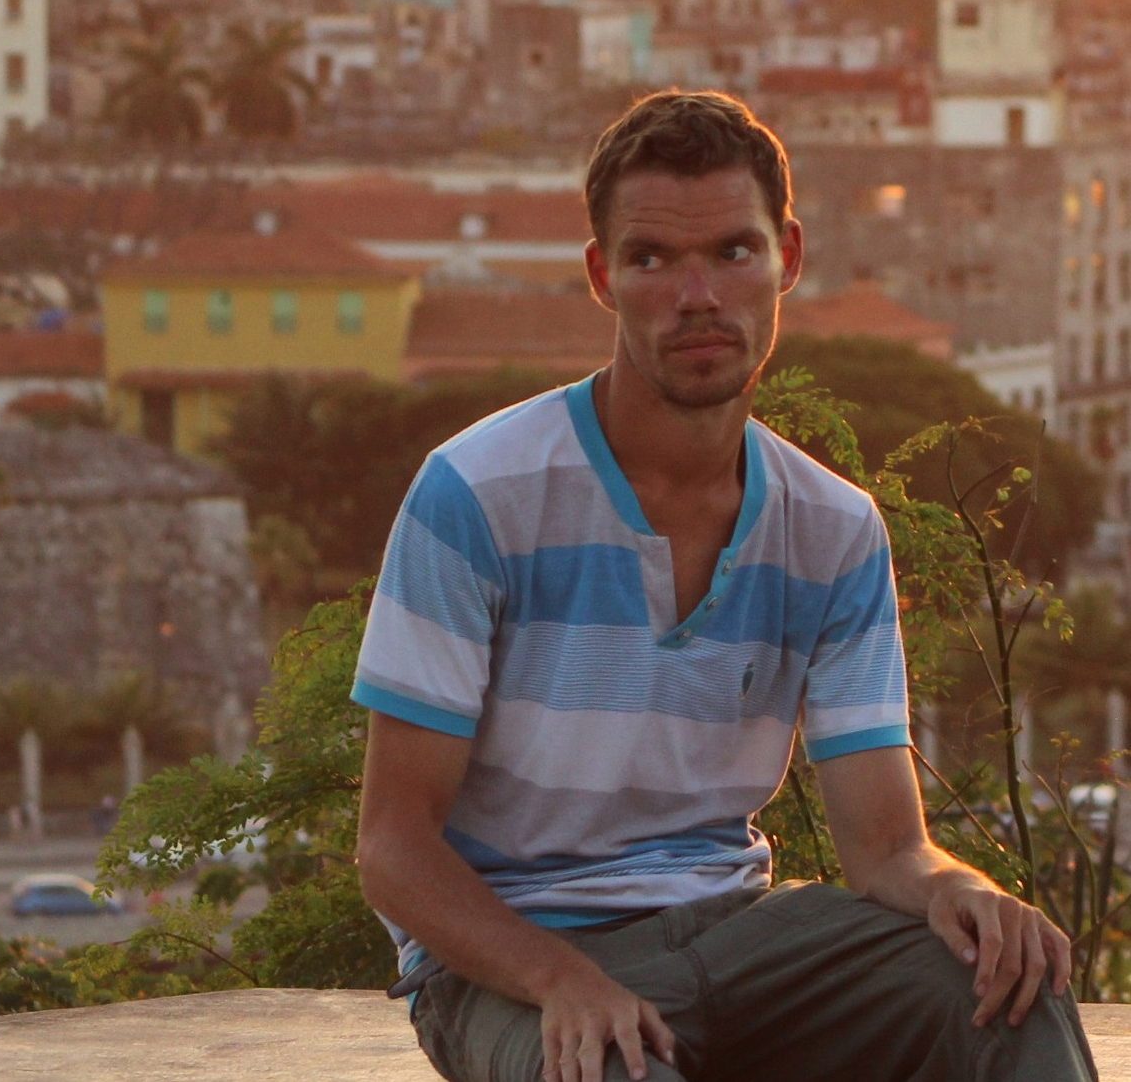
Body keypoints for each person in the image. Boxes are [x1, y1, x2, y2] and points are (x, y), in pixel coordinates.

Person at [353, 91, 1098, 1082]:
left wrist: (963, 891)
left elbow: (886, 849)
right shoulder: (478, 494)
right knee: (609, 1066)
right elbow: (393, 846)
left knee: (1008, 986)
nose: (697, 295)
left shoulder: (833, 529)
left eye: (733, 252)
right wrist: (560, 978)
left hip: (740, 931)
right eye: (652, 259)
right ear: (602, 276)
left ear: (787, 256)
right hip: (515, 960)